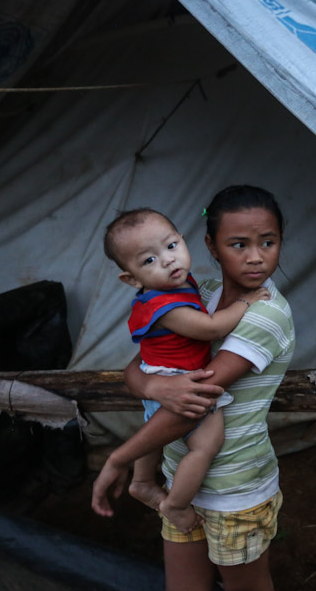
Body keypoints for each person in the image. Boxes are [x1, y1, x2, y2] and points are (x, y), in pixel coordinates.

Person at [92, 186, 294, 591]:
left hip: (234, 489)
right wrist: (154, 384)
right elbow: (138, 367)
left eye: (267, 243)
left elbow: (193, 402)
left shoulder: (266, 311)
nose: (255, 256)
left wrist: (119, 458)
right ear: (211, 246)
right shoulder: (197, 295)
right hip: (178, 481)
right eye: (238, 244)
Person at [100, 208, 270, 533]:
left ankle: (142, 481)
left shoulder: (174, 286)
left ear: (182, 240)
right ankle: (175, 504)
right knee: (207, 444)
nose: (167, 261)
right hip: (174, 379)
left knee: (153, 430)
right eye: (148, 260)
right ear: (132, 279)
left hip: (157, 372)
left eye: (171, 246)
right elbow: (210, 328)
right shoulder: (167, 306)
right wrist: (245, 303)